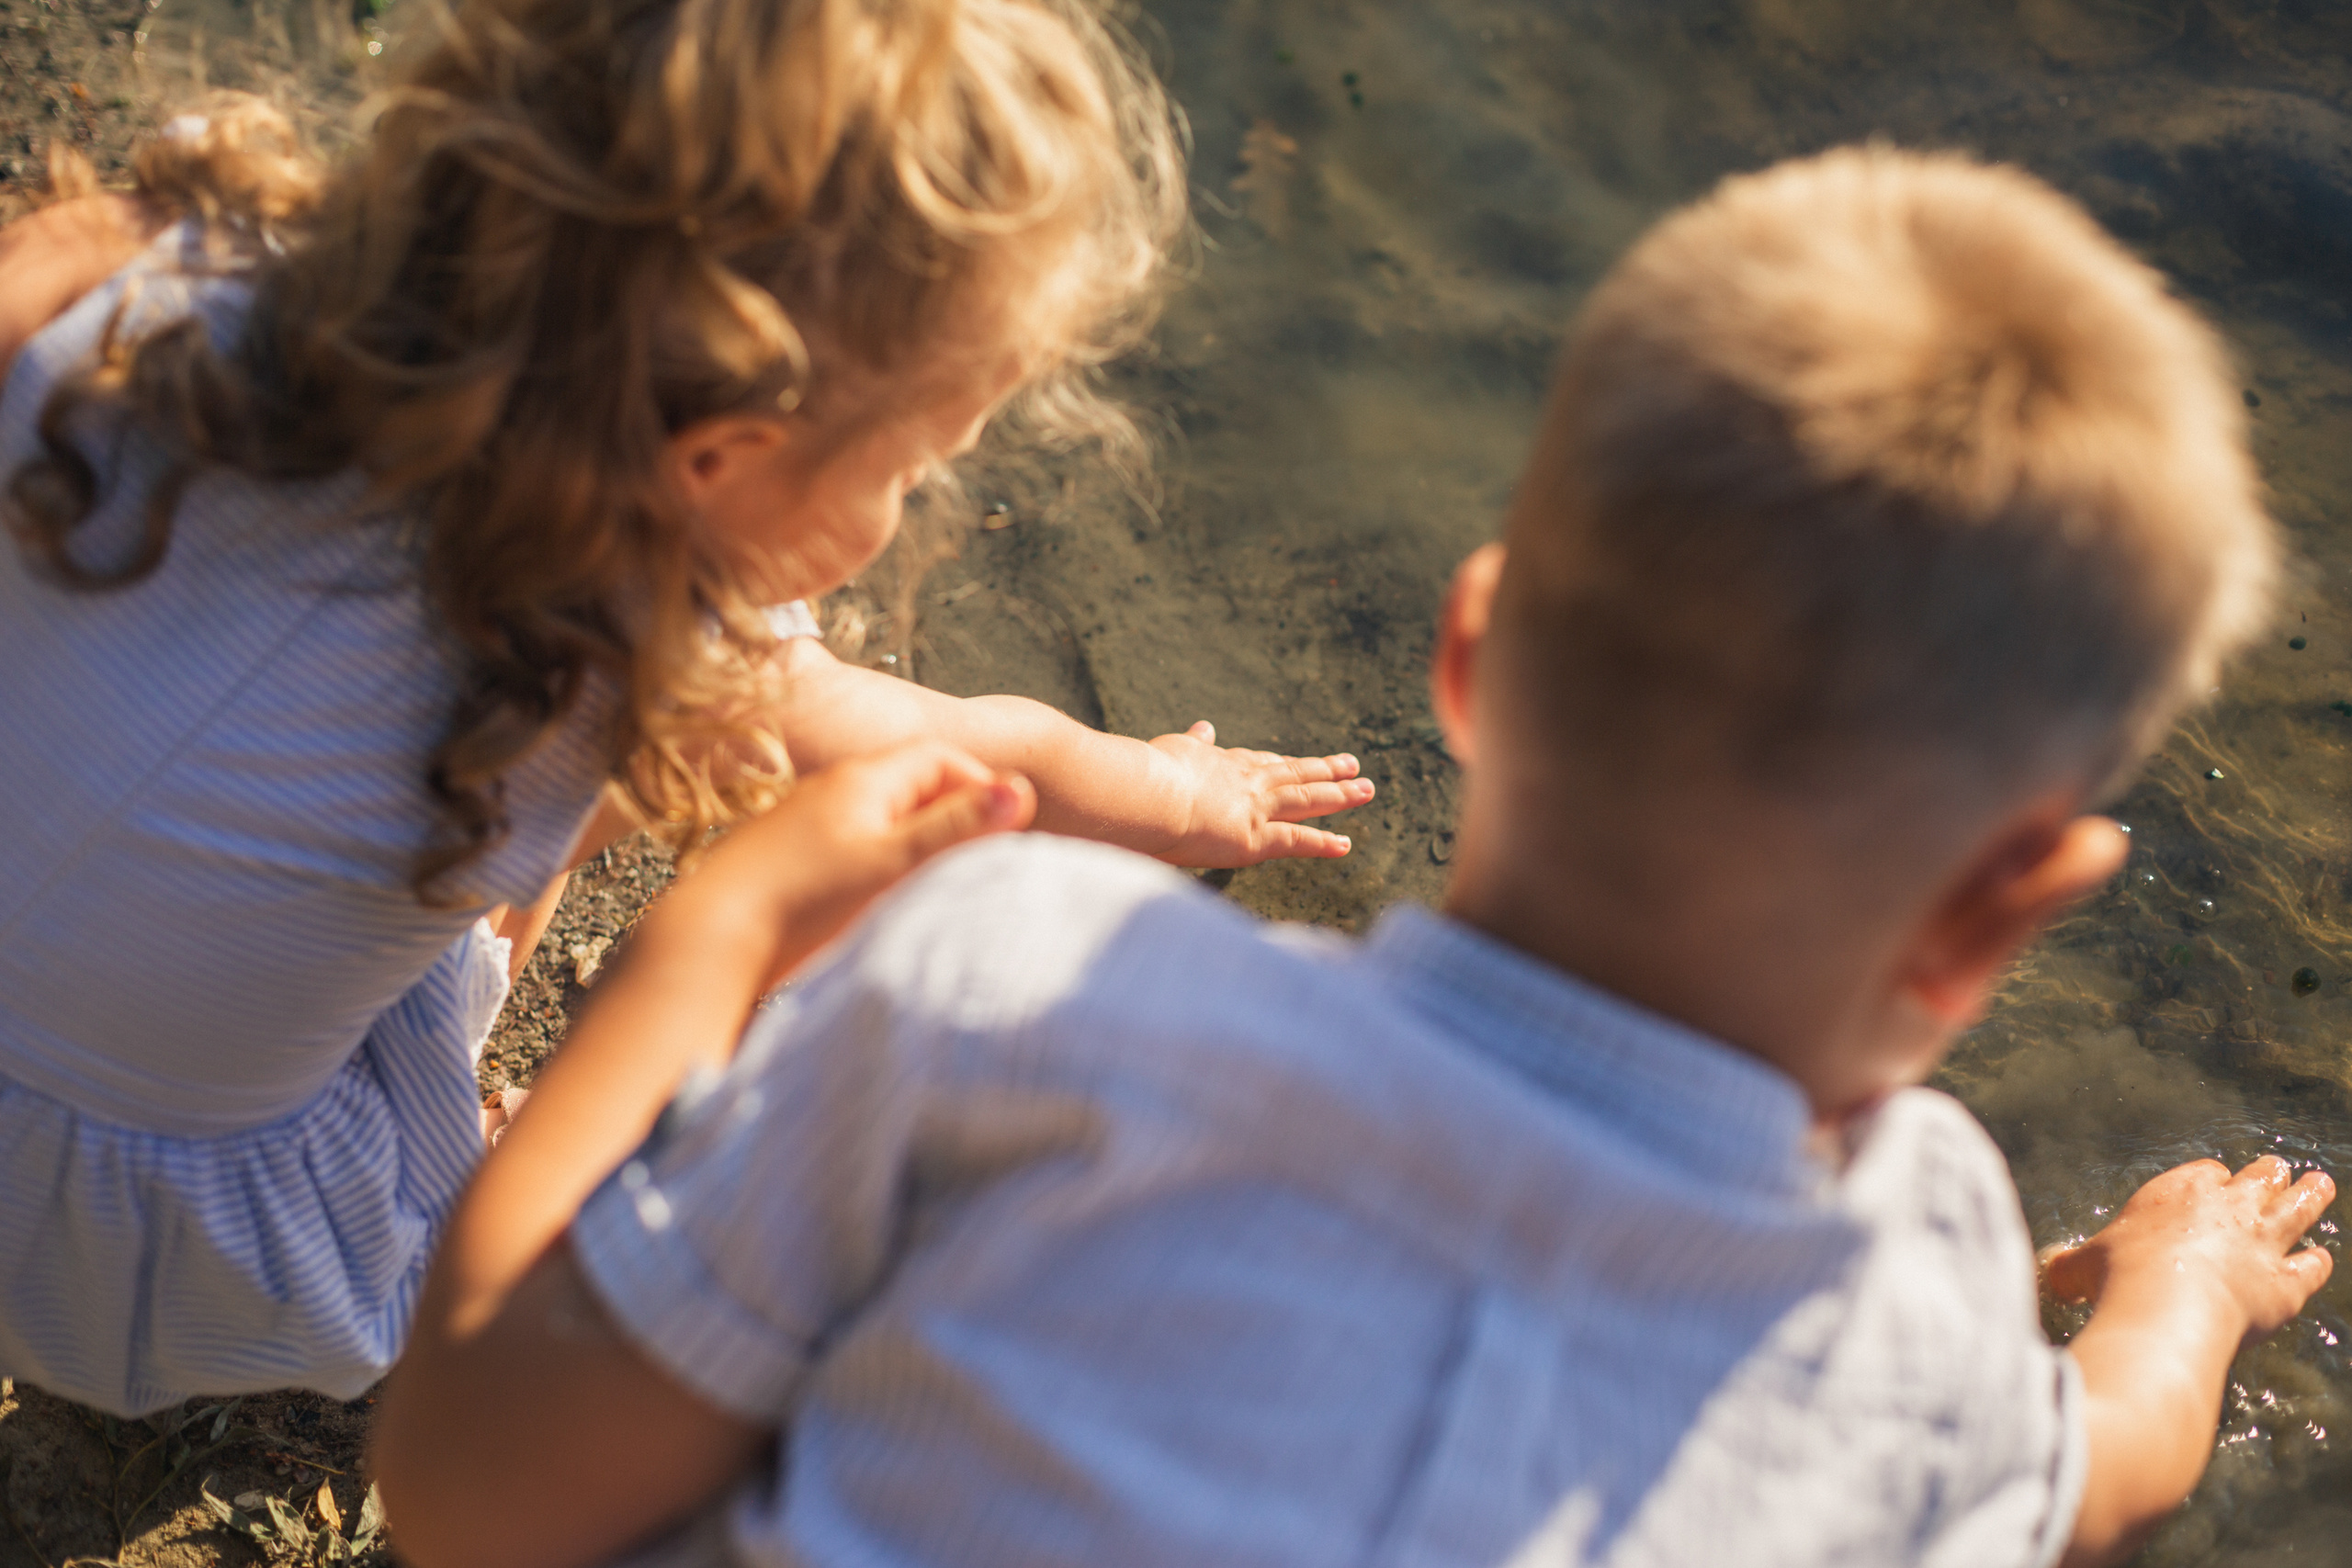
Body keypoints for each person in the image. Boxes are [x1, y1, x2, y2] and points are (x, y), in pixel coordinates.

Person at [376, 144, 2336, 1568]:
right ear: (2007, 898)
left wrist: (707, 940)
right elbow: (2104, 1463)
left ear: (1468, 652)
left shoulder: (1015, 988)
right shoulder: (1919, 1302)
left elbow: (465, 1497)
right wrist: (2180, 1280)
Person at [0, 0, 1376, 1418]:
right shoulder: (601, 656)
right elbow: (951, 770)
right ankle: (453, 1126)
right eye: (909, 467)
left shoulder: (140, 284)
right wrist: (1167, 794)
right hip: (128, 1269)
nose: (911, 511)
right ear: (718, 456)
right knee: (620, 756)